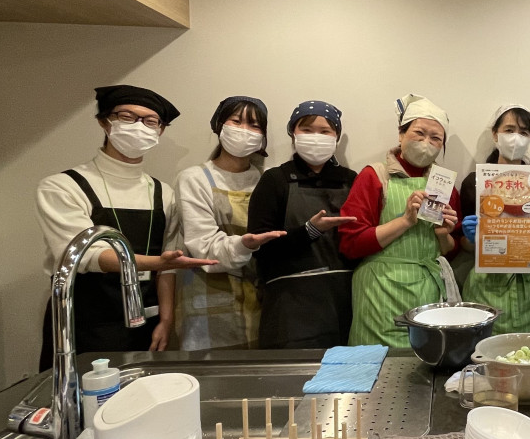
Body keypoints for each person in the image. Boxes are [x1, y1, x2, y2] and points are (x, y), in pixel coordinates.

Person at [35, 85, 215, 369]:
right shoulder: (63, 186)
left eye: (150, 121)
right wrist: (155, 262)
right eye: (127, 117)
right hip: (83, 322)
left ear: (160, 131)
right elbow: (86, 255)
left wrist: (167, 319)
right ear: (104, 121)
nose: (139, 126)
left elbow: (167, 268)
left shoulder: (164, 193)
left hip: (146, 321)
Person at [339, 94, 461, 347]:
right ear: (401, 134)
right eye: (419, 133)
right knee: (377, 363)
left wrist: (443, 236)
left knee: (425, 359)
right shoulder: (374, 176)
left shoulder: (445, 184)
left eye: (436, 138)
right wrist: (405, 220)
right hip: (379, 292)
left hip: (429, 293)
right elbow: (350, 244)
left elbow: (450, 251)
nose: (426, 143)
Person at [174, 96, 287, 350]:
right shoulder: (194, 179)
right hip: (209, 303)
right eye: (236, 121)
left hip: (260, 303)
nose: (244, 131)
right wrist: (245, 245)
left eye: (254, 125)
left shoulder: (267, 181)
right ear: (219, 125)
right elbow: (203, 246)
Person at [246, 101, 358, 349]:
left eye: (325, 131)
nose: (316, 137)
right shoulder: (275, 180)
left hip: (345, 300)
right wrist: (310, 231)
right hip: (290, 308)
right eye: (307, 129)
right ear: (293, 133)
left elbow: (362, 239)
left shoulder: (351, 181)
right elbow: (260, 248)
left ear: (336, 136)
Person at [459, 104, 530, 334]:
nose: (516, 138)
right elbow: (463, 246)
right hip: (486, 284)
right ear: (495, 134)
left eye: (524, 132)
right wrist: (471, 238)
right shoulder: (475, 182)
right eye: (509, 130)